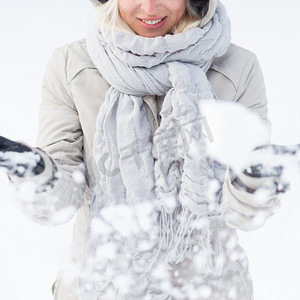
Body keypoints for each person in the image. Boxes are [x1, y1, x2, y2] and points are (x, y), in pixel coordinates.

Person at [0, 0, 285, 299]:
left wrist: (254, 180)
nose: (150, 7)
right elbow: (58, 203)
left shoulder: (238, 67)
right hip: (103, 287)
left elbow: (244, 215)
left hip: (207, 286)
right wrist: (35, 174)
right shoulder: (72, 65)